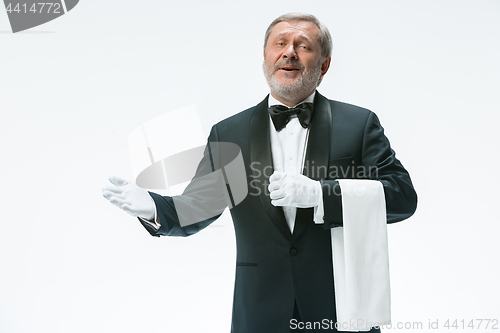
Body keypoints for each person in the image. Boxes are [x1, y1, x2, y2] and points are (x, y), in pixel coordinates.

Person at [102, 13, 417, 333]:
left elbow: (403, 196)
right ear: (265, 57)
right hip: (260, 313)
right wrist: (155, 207)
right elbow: (200, 206)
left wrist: (321, 194)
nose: (289, 52)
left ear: (323, 65)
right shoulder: (230, 132)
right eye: (280, 43)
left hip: (340, 308)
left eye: (303, 45)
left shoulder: (358, 125)